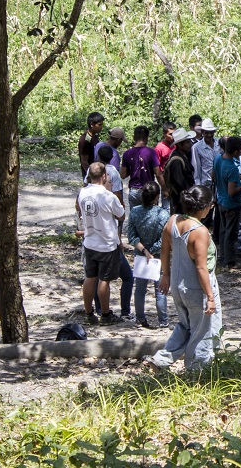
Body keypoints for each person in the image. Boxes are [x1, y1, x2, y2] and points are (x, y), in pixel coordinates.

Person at [149, 185, 222, 370]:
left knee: (185, 325)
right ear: (204, 207)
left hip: (177, 284)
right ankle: (197, 371)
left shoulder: (172, 221)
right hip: (197, 287)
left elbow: (164, 250)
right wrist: (210, 297)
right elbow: (201, 267)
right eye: (211, 205)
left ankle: (161, 360)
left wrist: (165, 275)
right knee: (202, 331)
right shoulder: (200, 231)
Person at [78, 163, 126, 325]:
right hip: (106, 243)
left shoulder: (83, 193)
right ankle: (105, 315)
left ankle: (89, 313)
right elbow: (121, 215)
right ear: (104, 176)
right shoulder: (108, 196)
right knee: (104, 280)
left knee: (90, 277)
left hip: (90, 241)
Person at [128, 182, 170, 328]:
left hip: (140, 255)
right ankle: (163, 321)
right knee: (160, 290)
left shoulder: (135, 212)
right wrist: (151, 251)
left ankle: (140, 318)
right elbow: (164, 239)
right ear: (157, 197)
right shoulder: (163, 214)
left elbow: (131, 236)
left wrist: (144, 251)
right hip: (158, 256)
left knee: (140, 289)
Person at [212, 136, 241, 268]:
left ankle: (223, 256)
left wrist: (235, 178)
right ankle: (230, 261)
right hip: (232, 204)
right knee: (231, 233)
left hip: (221, 200)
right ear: (235, 151)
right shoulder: (232, 168)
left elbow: (213, 176)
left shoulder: (218, 158)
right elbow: (232, 191)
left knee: (223, 230)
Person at [121, 125, 163, 209]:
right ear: (147, 138)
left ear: (134, 137)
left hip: (134, 191)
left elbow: (123, 175)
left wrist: (132, 168)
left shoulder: (127, 154)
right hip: (149, 190)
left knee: (135, 215)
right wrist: (164, 189)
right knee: (151, 214)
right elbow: (158, 174)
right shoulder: (151, 153)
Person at [163, 129, 196, 214]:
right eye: (187, 142)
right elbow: (180, 184)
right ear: (180, 144)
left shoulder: (184, 155)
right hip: (180, 201)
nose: (190, 144)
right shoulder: (177, 161)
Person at [191, 119, 217, 188]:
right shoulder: (196, 147)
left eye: (211, 132)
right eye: (207, 133)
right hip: (206, 185)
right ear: (202, 132)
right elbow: (196, 168)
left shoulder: (219, 143)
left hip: (220, 184)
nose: (209, 135)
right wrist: (198, 186)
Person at [78, 112, 105, 176]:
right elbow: (84, 161)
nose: (101, 127)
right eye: (99, 125)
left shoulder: (94, 136)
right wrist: (91, 175)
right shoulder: (85, 140)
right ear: (92, 124)